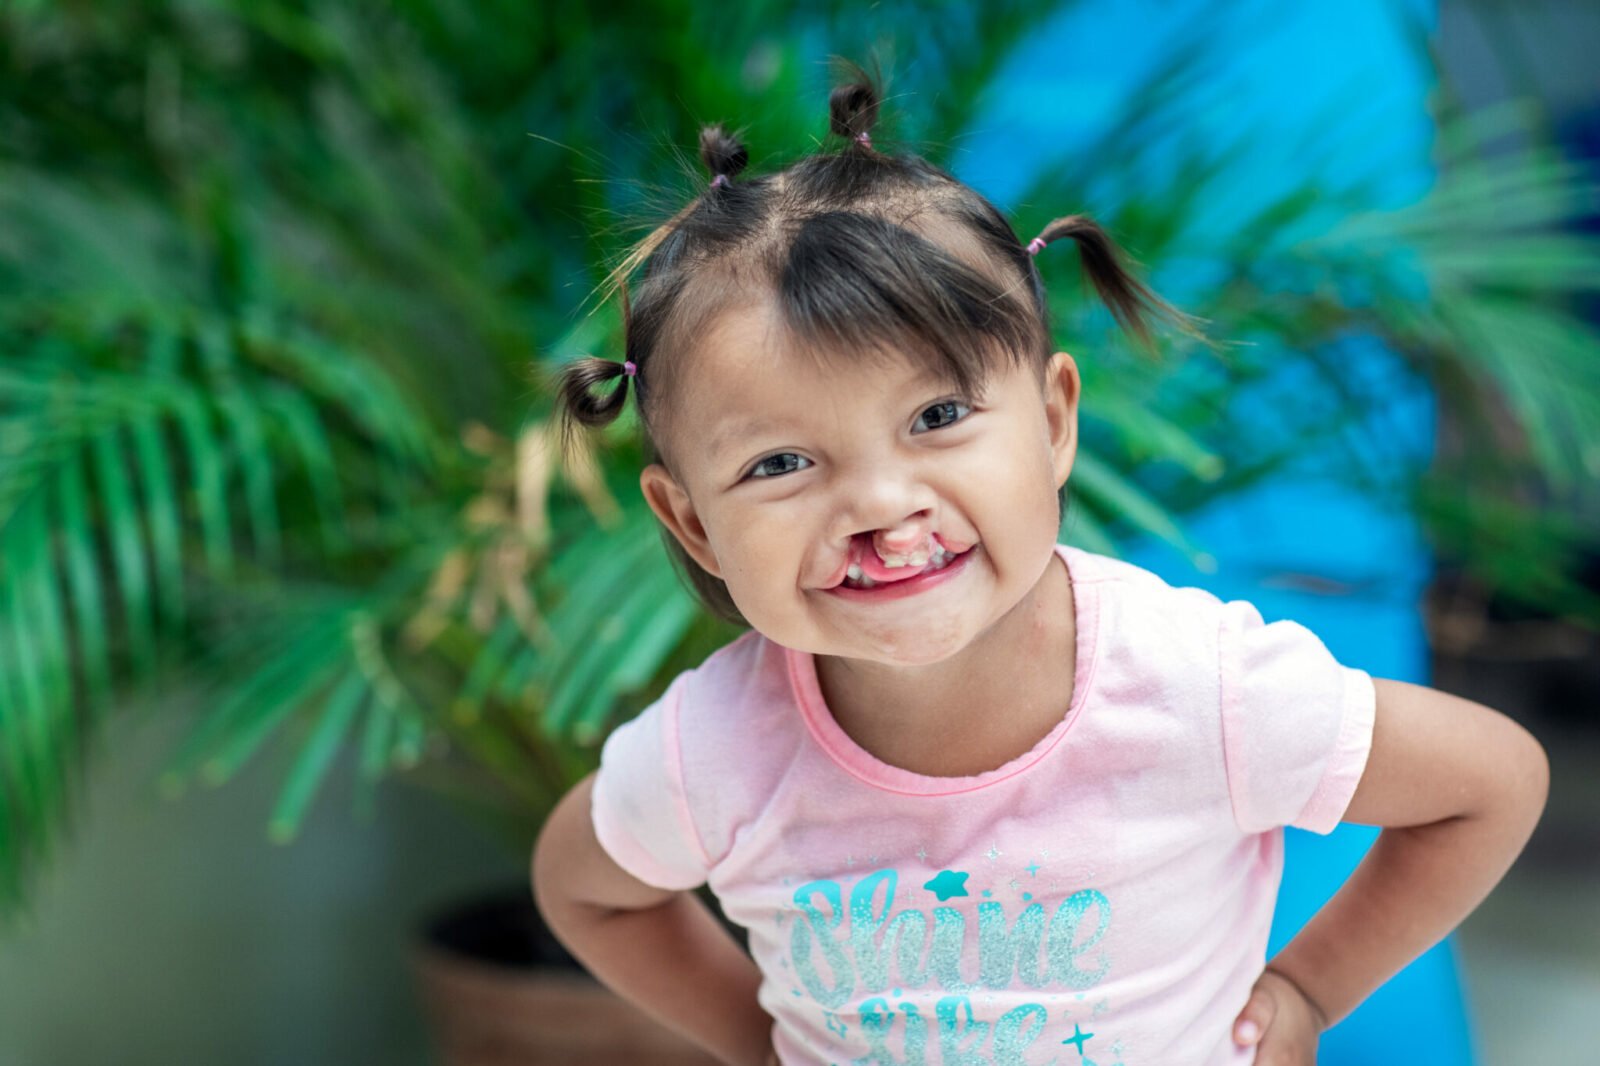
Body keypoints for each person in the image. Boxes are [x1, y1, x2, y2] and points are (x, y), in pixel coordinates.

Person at [530, 61, 1548, 1066]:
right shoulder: (711, 755)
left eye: (937, 415)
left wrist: (1309, 988)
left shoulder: (1197, 688)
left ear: (1054, 420)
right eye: (781, 462)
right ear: (693, 524)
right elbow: (584, 887)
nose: (882, 506)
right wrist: (757, 1043)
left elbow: (1489, 781)